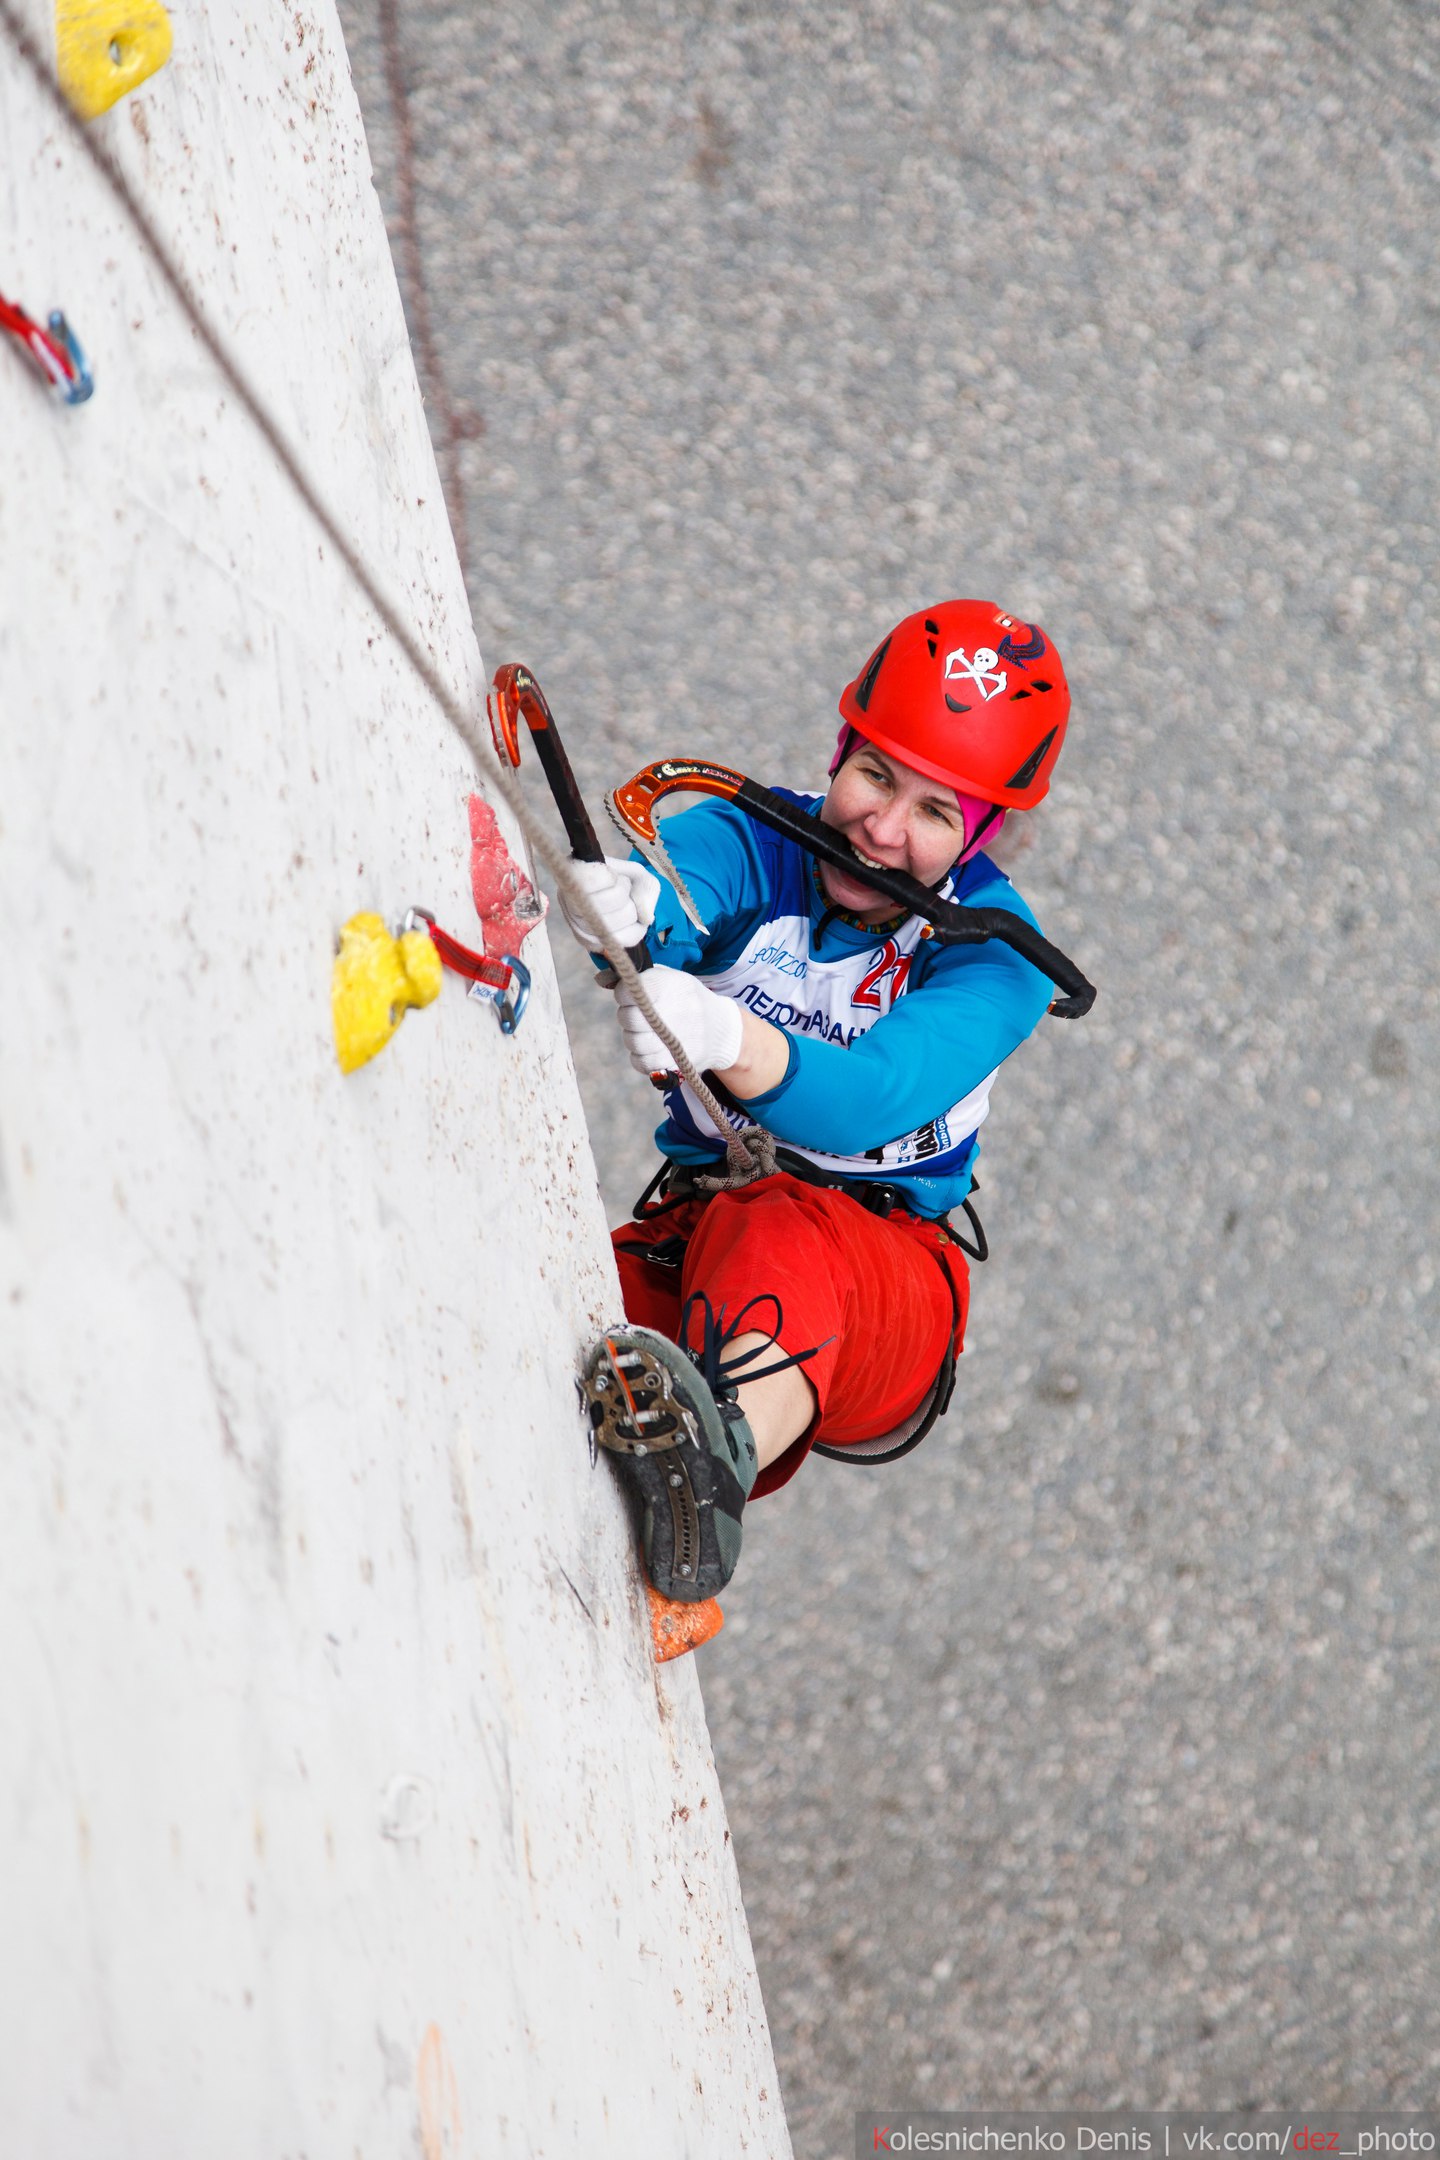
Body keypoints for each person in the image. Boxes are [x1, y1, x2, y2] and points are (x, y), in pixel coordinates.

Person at [564, 600, 1072, 1607]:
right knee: (583, 1320)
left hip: (883, 1290)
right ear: (841, 747)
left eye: (934, 813)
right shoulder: (760, 837)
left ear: (983, 835)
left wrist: (725, 1039)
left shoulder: (996, 963)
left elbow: (869, 1101)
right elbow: (685, 889)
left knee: (780, 1229)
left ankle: (710, 1475)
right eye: (874, 774)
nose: (881, 830)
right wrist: (629, 912)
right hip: (704, 1225)